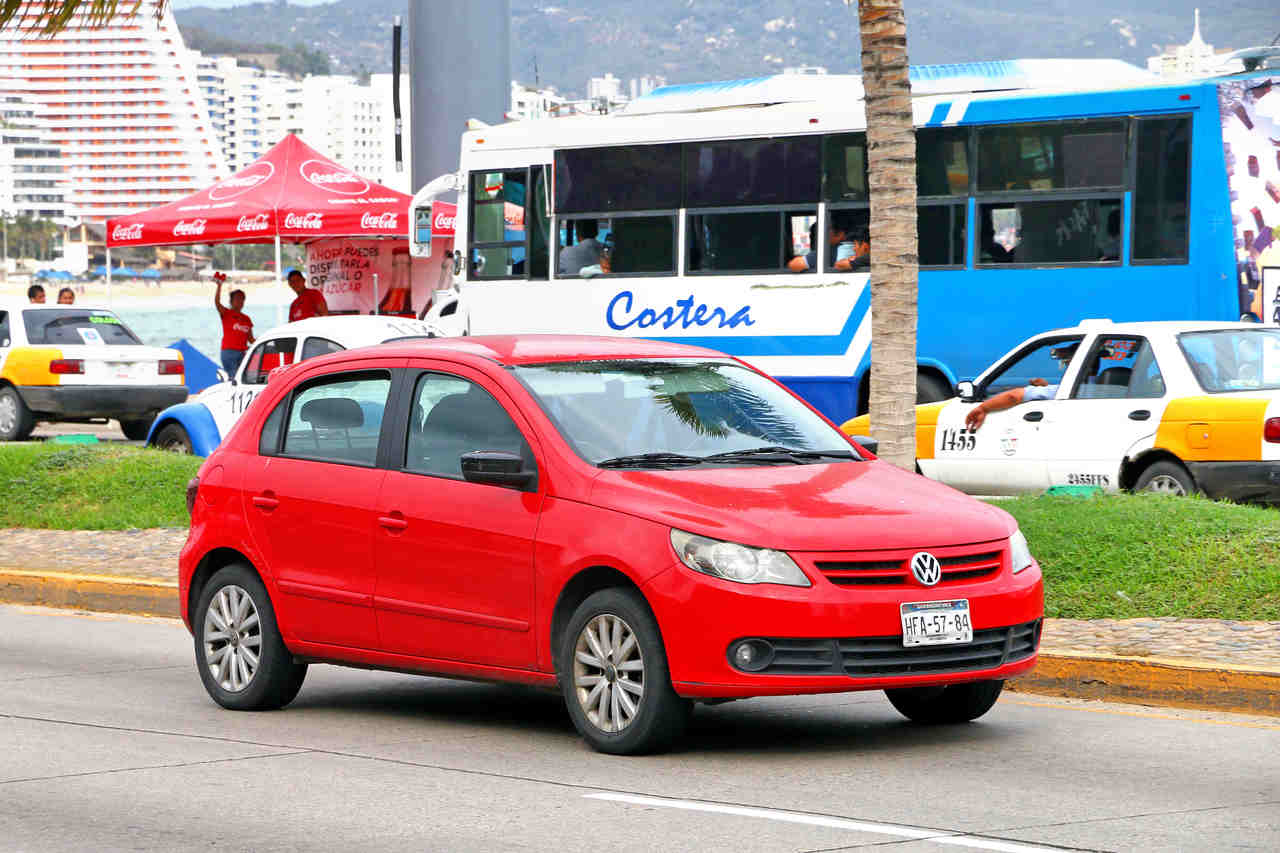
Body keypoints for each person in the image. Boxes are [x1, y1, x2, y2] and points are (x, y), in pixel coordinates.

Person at [964, 344, 1077, 431]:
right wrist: (1045, 387)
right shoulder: (1089, 388)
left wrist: (982, 408)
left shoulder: (1063, 390)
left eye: (1066, 362)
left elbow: (1013, 397)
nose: (1064, 366)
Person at [214, 271, 254, 375]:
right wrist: (219, 286)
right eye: (237, 299)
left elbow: (251, 339)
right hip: (229, 352)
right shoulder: (226, 313)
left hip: (243, 354)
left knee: (243, 377)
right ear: (231, 301)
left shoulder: (247, 319)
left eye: (242, 299)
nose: (240, 301)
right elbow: (217, 303)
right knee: (234, 378)